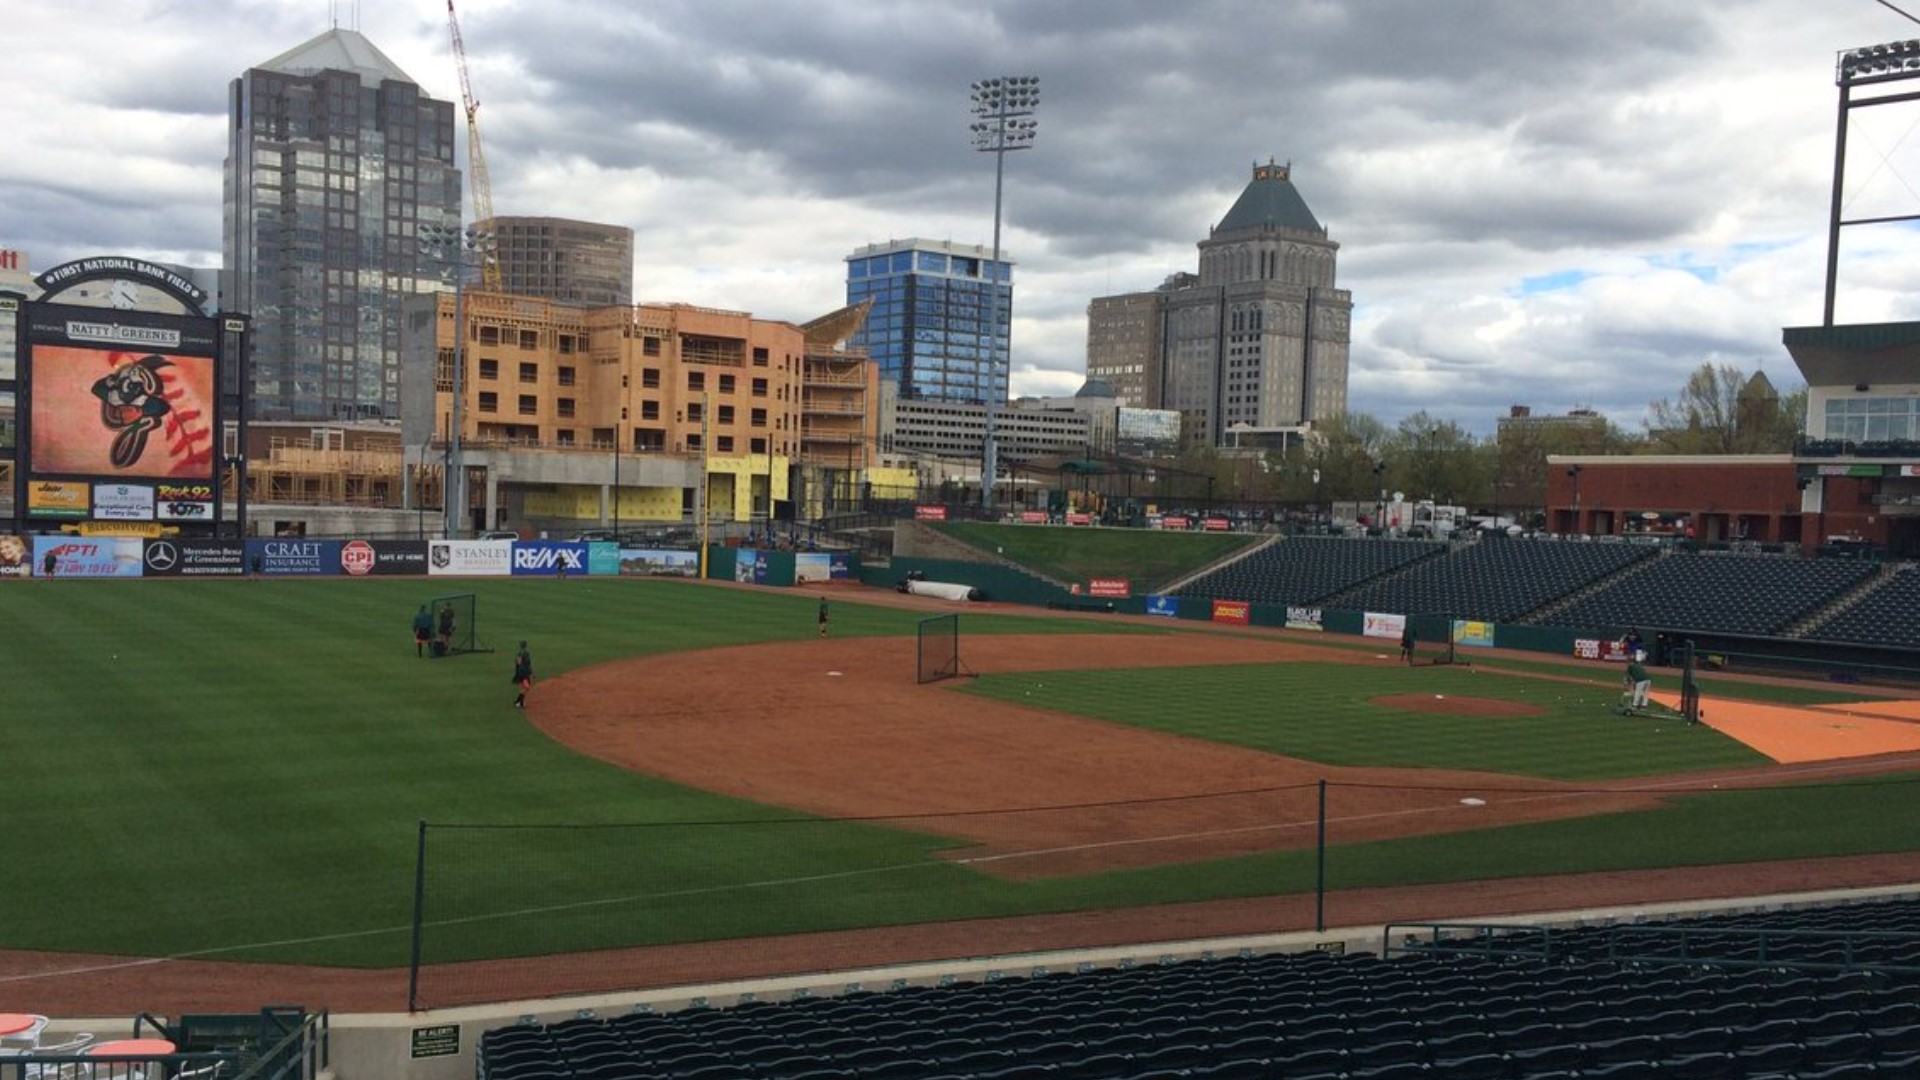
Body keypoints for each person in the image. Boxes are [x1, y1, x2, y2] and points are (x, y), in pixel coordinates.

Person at [511, 641, 534, 708]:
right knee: (526, 687)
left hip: (522, 672)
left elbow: (518, 663)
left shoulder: (522, 653)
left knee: (523, 688)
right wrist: (531, 672)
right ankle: (520, 702)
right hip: (523, 673)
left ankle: (518, 702)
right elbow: (527, 664)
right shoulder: (525, 653)